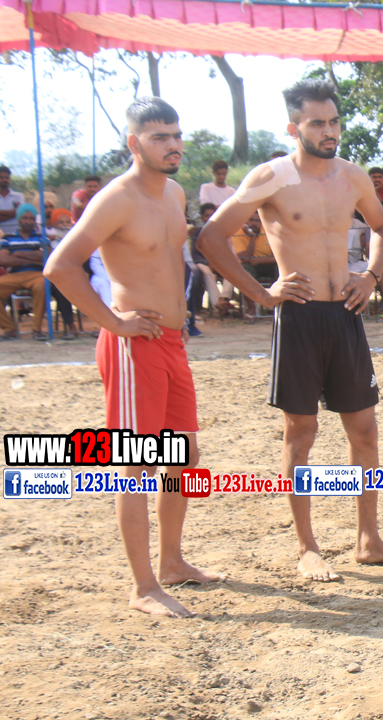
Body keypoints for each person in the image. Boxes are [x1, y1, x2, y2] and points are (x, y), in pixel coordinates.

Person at [197, 78, 383, 582]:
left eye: (334, 121)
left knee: (364, 430)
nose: (328, 131)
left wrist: (370, 274)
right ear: (293, 127)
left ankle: (369, 540)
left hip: (345, 315)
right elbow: (211, 237)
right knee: (301, 432)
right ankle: (307, 547)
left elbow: (382, 227)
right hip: (298, 316)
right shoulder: (272, 176)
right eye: (317, 123)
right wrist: (261, 294)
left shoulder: (352, 176)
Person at [44, 97, 222, 617]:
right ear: (134, 143)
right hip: (132, 345)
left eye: (176, 135)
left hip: (171, 341)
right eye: (159, 137)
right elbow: (60, 266)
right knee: (135, 466)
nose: (172, 145)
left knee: (183, 457)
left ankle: (172, 563)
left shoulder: (174, 192)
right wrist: (114, 321)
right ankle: (143, 587)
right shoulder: (115, 199)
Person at [0, 204, 50, 340]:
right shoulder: (7, 237)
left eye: (31, 218)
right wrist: (33, 257)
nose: (28, 221)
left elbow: (46, 256)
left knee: (42, 285)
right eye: (25, 218)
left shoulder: (41, 237)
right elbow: (3, 259)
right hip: (14, 276)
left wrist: (18, 253)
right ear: (18, 219)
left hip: (37, 275)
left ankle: (36, 329)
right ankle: (8, 327)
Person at [0, 166, 26, 237]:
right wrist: (14, 212)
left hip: (16, 236)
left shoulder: (18, 196)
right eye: (1, 177)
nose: (4, 180)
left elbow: (21, 214)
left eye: (7, 177)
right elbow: (17, 213)